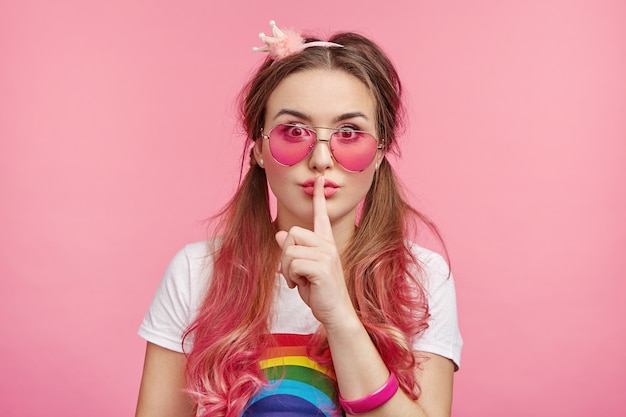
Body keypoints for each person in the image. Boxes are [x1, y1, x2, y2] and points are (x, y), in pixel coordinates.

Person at [135, 20, 462, 417]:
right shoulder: (195, 272)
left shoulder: (421, 278)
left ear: (379, 154)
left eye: (349, 132)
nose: (321, 159)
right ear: (258, 148)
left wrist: (339, 315)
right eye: (294, 130)